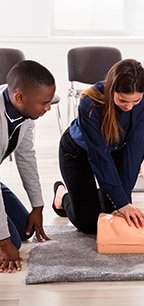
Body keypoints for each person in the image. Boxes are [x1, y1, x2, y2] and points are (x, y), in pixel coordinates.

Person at [53, 59, 144, 233]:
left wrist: (123, 201)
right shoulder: (89, 102)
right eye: (123, 101)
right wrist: (121, 202)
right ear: (112, 89)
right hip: (78, 153)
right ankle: (63, 195)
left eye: (135, 101)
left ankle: (95, 195)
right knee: (90, 224)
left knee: (113, 212)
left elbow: (134, 151)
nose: (129, 107)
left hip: (113, 151)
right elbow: (99, 156)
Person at [0, 60, 56, 273]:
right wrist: (4, 243)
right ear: (19, 97)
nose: (48, 107)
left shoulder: (26, 112)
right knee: (10, 241)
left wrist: (37, 205)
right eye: (44, 103)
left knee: (24, 231)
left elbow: (26, 156)